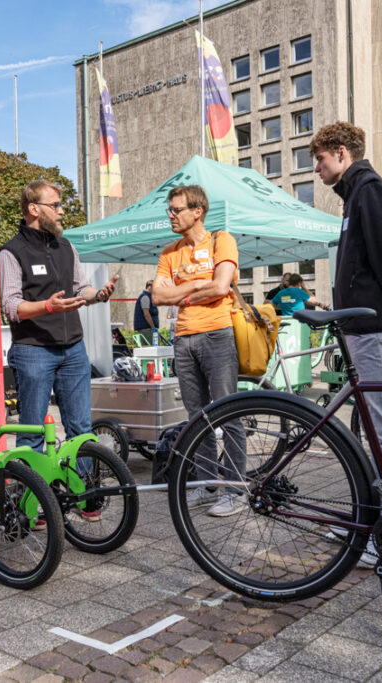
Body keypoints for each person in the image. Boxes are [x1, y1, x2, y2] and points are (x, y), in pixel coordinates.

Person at [310, 121, 382, 565]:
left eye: (320, 160)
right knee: (376, 431)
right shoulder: (356, 195)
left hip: (373, 327)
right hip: (364, 327)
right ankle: (375, 518)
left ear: (342, 153)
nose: (317, 170)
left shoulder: (371, 191)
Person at [0, 180, 119, 455]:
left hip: (74, 349)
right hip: (33, 351)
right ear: (33, 209)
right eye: (55, 205)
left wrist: (98, 294)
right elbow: (11, 307)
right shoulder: (11, 252)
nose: (62, 211)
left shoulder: (66, 247)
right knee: (32, 433)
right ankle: (29, 496)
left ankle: (82, 496)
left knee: (81, 431)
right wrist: (48, 307)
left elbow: (80, 288)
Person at [151, 184, 246, 517]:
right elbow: (158, 298)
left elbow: (222, 285)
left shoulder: (222, 240)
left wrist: (182, 292)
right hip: (183, 338)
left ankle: (236, 490)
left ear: (197, 211)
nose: (171, 215)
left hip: (218, 333)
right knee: (197, 418)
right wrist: (196, 286)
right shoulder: (169, 252)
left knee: (228, 414)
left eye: (176, 210)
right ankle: (207, 486)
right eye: (170, 210)